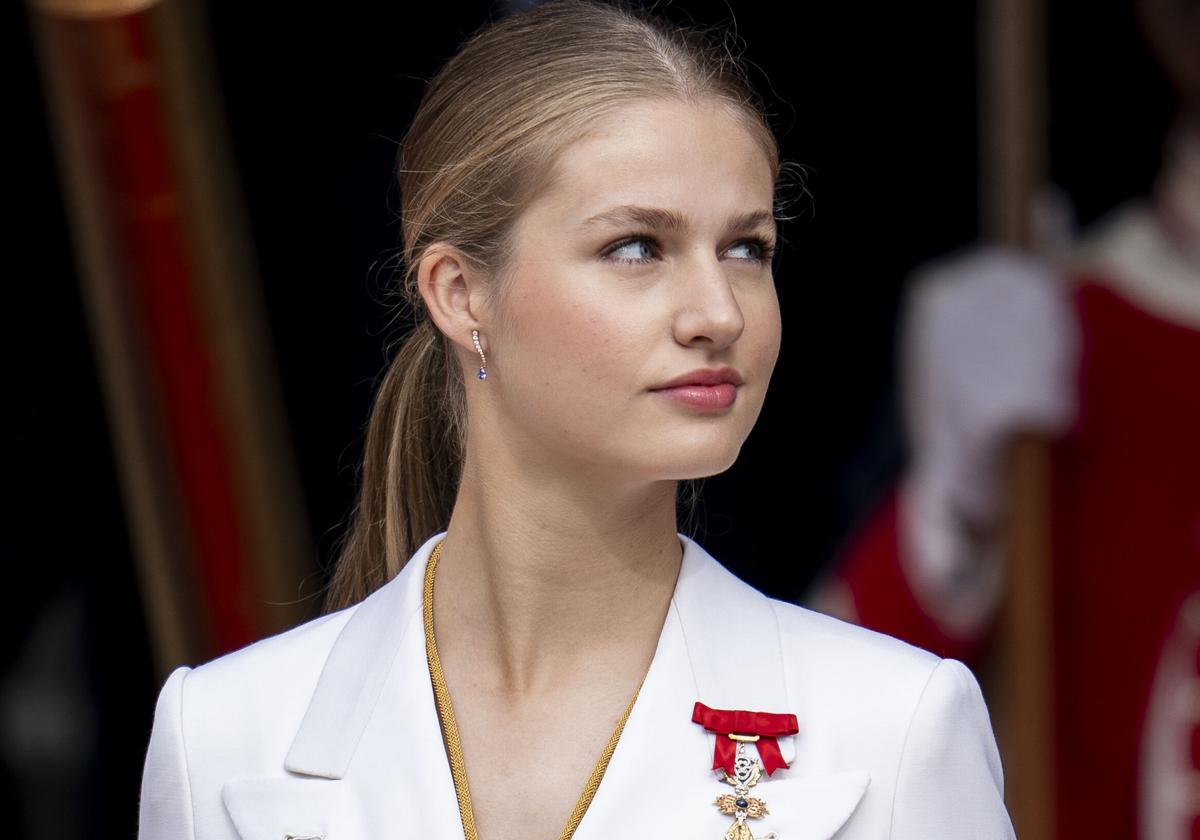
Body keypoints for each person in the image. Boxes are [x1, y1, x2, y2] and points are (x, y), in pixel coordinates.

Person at [136, 2, 1017, 838]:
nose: (719, 312)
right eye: (636, 247)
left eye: (746, 248)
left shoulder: (896, 730)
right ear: (458, 291)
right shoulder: (222, 735)